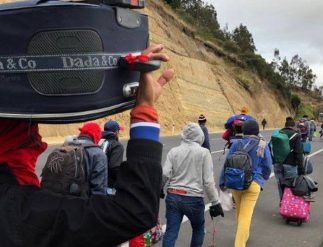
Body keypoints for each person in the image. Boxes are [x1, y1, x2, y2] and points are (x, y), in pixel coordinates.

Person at [0, 44, 174, 247]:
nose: (40, 143)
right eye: (29, 139)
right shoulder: (17, 212)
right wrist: (145, 107)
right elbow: (132, 209)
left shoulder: (70, 145)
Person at [162, 123, 224, 247]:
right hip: (193, 198)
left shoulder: (174, 151)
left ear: (183, 135)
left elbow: (165, 173)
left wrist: (160, 187)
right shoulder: (204, 153)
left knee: (170, 232)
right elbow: (208, 181)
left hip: (173, 195)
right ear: (200, 136)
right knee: (198, 229)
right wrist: (215, 202)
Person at [219, 120, 272, 247]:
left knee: (239, 213)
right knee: (246, 215)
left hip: (236, 182)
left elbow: (226, 163)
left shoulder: (236, 144)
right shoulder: (262, 145)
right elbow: (268, 166)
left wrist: (222, 183)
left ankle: (244, 235)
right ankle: (240, 243)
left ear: (244, 131)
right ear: (257, 131)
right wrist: (262, 178)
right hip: (253, 183)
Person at [274, 117, 304, 200]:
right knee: (291, 185)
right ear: (293, 126)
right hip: (290, 164)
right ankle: (288, 205)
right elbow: (299, 153)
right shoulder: (296, 135)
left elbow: (271, 147)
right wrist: (301, 168)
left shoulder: (277, 134)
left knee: (280, 184)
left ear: (285, 125)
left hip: (277, 164)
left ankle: (282, 202)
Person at [101, 120, 125, 189]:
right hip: (108, 185)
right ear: (116, 132)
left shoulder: (98, 142)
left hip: (96, 182)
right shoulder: (117, 146)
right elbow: (114, 168)